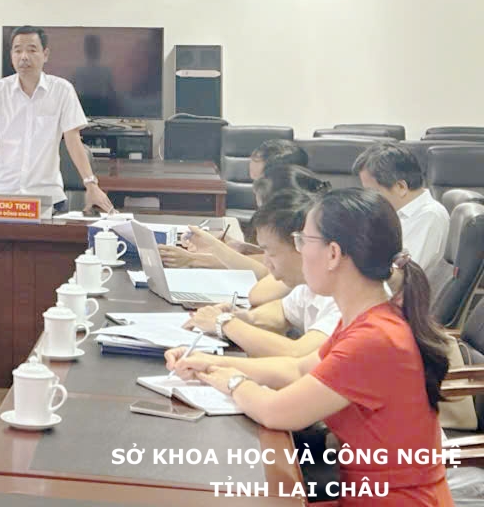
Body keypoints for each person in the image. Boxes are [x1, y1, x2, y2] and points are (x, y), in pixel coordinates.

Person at [167, 187, 452, 507]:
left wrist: (231, 381)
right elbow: (298, 369)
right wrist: (209, 362)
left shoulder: (375, 338)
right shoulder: (365, 319)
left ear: (333, 254)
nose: (299, 251)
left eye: (303, 240)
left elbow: (276, 412)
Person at [0, 26, 113, 214]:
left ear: (45, 54)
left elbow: (73, 139)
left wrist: (91, 183)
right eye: (18, 50)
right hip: (4, 195)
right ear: (11, 55)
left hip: (47, 197)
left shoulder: (62, 90)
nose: (24, 57)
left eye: (32, 50)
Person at [183, 186, 340, 357]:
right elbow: (281, 312)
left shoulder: (343, 298)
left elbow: (297, 356)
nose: (266, 262)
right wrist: (240, 318)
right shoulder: (311, 285)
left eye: (271, 253)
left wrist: (225, 324)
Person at [162, 165, 330, 274]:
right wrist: (244, 248)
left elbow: (266, 272)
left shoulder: (310, 249)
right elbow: (266, 259)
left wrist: (194, 258)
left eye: (262, 207)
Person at [354, 142, 448, 269]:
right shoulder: (398, 213)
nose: (370, 198)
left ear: (401, 187)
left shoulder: (429, 216)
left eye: (373, 192)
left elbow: (402, 272)